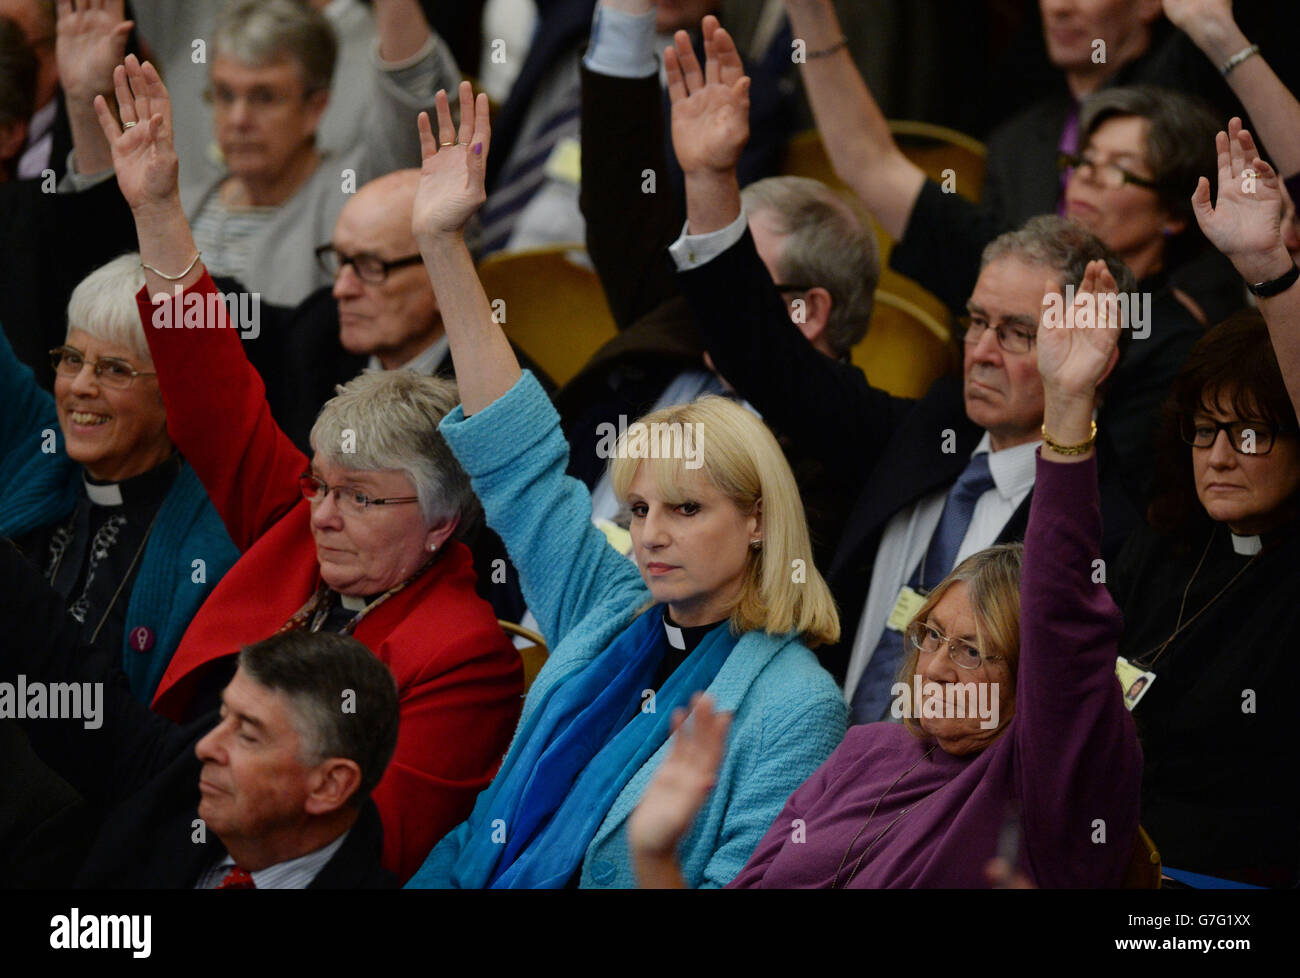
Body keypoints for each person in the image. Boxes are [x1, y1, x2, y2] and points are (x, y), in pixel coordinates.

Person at [92, 57, 523, 883]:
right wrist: (156, 209)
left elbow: (363, 856)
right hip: (157, 816)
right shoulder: (298, 525)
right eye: (320, 485)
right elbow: (212, 396)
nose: (322, 513)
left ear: (440, 522)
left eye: (359, 497)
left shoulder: (462, 654)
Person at [406, 83, 846, 889]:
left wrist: (651, 855)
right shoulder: (611, 605)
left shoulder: (799, 709)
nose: (649, 534)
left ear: (758, 521)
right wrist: (442, 243)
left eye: (685, 509)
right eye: (639, 508)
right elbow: (520, 463)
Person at [663, 22, 1139, 718]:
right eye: (976, 322)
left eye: (1017, 334)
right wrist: (709, 179)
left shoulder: (1107, 526)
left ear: (1093, 351)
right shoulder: (924, 434)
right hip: (810, 774)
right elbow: (761, 355)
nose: (981, 350)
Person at [627, 259, 1142, 889]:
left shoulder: (1043, 785)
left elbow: (1066, 624)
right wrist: (654, 858)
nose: (937, 668)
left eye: (975, 651)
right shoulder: (864, 751)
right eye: (931, 636)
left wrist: (1066, 410)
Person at [1106, 123, 1300, 887]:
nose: (1219, 455)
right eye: (1205, 431)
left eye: (1252, 433)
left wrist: (1269, 274)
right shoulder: (1158, 549)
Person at [1, 538, 399, 888]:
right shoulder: (181, 787)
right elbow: (77, 693)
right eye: (224, 717)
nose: (207, 746)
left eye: (248, 734)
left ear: (329, 785)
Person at [65, 0, 459, 306]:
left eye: (265, 97)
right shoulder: (182, 201)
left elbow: (413, 97)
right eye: (225, 95)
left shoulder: (357, 194)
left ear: (315, 107)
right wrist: (84, 100)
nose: (238, 119)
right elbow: (98, 261)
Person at [1, 254, 238, 699]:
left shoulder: (212, 545)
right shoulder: (35, 451)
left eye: (114, 369)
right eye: (72, 360)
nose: (80, 386)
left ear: (176, 392)